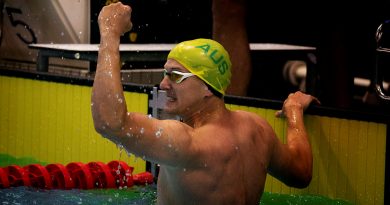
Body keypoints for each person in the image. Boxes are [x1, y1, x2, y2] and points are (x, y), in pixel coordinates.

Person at [91, 2, 320, 204]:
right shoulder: (258, 130)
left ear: (208, 88)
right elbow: (301, 172)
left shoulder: (186, 142)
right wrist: (294, 111)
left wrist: (110, 32)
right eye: (165, 73)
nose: (163, 84)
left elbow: (109, 124)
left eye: (175, 75)